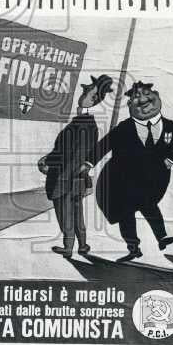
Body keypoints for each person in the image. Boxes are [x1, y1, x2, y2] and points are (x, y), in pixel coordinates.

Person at [95, 80, 173, 261]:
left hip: (151, 181)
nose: (143, 99)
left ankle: (162, 237)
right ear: (130, 104)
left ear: (157, 97)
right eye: (137, 96)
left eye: (146, 94)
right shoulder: (124, 127)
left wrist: (170, 160)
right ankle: (133, 248)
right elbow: (102, 146)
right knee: (126, 214)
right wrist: (88, 163)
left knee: (150, 207)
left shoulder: (169, 125)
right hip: (123, 182)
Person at [38, 74, 114, 258]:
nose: (83, 95)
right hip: (75, 177)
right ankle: (82, 245)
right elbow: (69, 151)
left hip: (65, 177)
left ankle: (68, 247)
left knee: (66, 214)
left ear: (94, 99)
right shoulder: (85, 122)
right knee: (77, 212)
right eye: (86, 92)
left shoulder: (83, 124)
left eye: (88, 93)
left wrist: (50, 165)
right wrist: (50, 160)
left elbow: (71, 153)